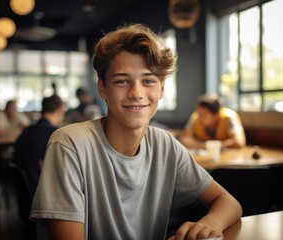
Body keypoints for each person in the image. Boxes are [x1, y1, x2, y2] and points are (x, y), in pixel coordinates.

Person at [30, 24, 242, 240]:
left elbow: (229, 202)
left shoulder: (165, 145)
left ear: (162, 89)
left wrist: (209, 224)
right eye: (121, 81)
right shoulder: (70, 144)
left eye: (148, 80)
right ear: (102, 88)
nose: (136, 93)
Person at [14, 94, 65, 198]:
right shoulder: (56, 135)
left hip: (23, 194)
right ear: (61, 111)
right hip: (44, 196)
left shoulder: (26, 131)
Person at [179, 93, 246, 149]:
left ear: (216, 115)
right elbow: (185, 140)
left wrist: (203, 146)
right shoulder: (195, 117)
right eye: (198, 113)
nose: (199, 118)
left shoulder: (228, 117)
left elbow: (239, 142)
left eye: (204, 115)